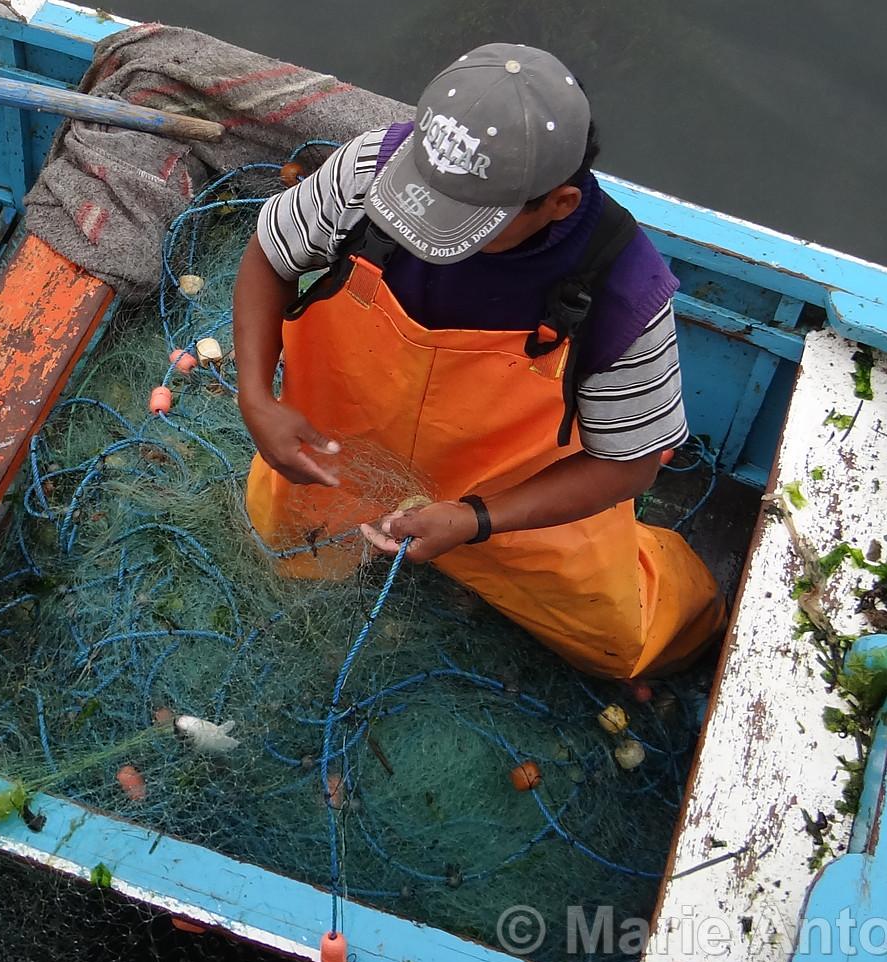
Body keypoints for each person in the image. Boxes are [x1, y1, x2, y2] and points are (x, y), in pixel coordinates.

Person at [231, 43, 726, 681]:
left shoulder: (623, 286)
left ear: (559, 204)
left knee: (623, 641)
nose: (421, 228)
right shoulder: (367, 169)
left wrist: (476, 520)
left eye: (466, 219)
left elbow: (627, 467)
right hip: (341, 452)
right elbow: (268, 258)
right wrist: (257, 400)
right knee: (282, 544)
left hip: (511, 500)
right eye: (423, 195)